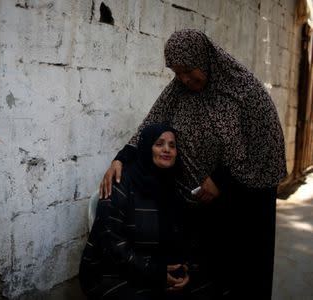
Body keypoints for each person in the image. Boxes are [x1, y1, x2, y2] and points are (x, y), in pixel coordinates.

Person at [99, 29, 287, 299]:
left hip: (245, 204)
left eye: (188, 70)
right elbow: (150, 125)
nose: (184, 79)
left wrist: (222, 180)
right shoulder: (177, 91)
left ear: (205, 58)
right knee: (207, 276)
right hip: (199, 203)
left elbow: (266, 147)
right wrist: (121, 157)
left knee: (241, 277)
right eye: (177, 73)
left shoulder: (245, 92)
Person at [79, 123, 190, 299]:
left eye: (172, 145)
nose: (167, 150)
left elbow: (183, 237)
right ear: (146, 147)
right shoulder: (121, 182)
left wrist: (182, 270)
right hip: (114, 273)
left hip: (158, 269)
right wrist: (156, 272)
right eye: (159, 144)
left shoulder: (174, 187)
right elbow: (110, 241)